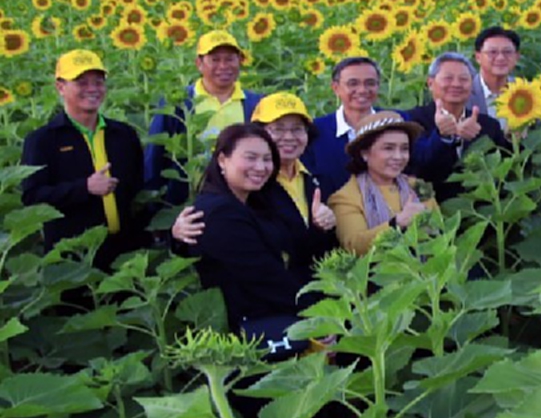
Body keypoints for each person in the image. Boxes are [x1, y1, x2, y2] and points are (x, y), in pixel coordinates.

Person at [173, 92, 337, 281]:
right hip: (278, 295)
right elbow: (221, 232)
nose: (289, 137)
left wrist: (327, 226)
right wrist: (179, 237)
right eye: (278, 129)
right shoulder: (253, 183)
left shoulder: (319, 179)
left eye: (298, 129)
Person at [189, 124, 319, 355]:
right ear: (222, 159)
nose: (261, 167)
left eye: (267, 159)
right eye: (250, 158)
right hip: (246, 330)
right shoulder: (219, 212)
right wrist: (316, 314)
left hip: (269, 315)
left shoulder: (256, 200)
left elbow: (296, 245)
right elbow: (264, 276)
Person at [21, 49, 149, 271]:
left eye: (98, 82)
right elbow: (32, 196)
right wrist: (84, 187)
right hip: (72, 257)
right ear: (60, 87)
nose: (92, 89)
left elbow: (138, 189)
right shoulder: (43, 140)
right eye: (81, 82)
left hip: (124, 252)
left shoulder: (123, 134)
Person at [145, 30, 263, 205]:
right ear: (199, 63)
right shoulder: (180, 104)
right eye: (215, 59)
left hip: (245, 202)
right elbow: (155, 157)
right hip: (190, 200)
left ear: (240, 61)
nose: (223, 66)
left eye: (230, 59)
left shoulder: (255, 103)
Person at [328, 111, 437, 255]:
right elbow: (354, 245)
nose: (398, 156)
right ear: (364, 153)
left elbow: (440, 230)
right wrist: (397, 223)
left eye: (404, 148)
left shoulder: (417, 186)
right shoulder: (345, 197)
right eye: (388, 148)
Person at [405, 52, 509, 201]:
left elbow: (505, 172)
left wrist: (513, 138)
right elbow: (415, 167)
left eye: (464, 79)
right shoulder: (412, 121)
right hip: (430, 211)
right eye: (448, 78)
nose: (456, 84)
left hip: (482, 212)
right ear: (430, 83)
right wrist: (444, 137)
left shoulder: (488, 125)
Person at [299, 57, 385, 199]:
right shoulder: (317, 131)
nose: (362, 90)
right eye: (353, 83)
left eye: (370, 83)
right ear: (336, 88)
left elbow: (420, 165)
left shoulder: (396, 122)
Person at [469, 26, 521, 130]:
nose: (500, 58)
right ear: (478, 57)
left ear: (517, 57)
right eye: (492, 52)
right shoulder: (463, 94)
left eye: (507, 52)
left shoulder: (527, 92)